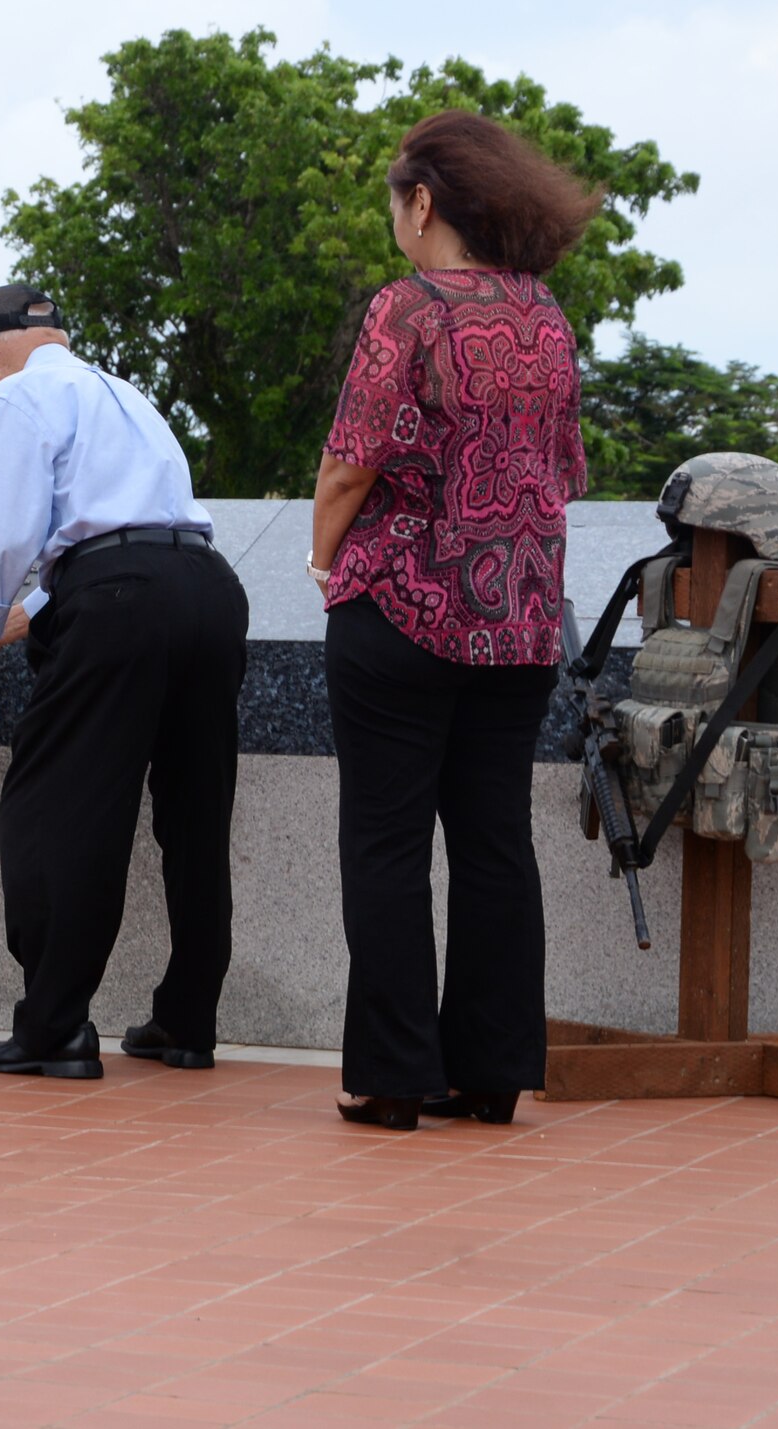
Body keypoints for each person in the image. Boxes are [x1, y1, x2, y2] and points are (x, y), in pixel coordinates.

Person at [311, 111, 599, 1130]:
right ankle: (488, 1070)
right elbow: (561, 470)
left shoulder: (410, 308)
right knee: (491, 844)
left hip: (402, 609)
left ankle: (388, 1074)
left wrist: (318, 558)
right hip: (519, 621)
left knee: (385, 843)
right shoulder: (545, 316)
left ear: (420, 202)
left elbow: (352, 457)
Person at [0, 284, 249, 1079]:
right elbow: (117, 538)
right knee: (195, 812)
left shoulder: (18, 395)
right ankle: (188, 1023)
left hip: (120, 601)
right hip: (208, 590)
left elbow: (0, 532)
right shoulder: (125, 395)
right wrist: (29, 616)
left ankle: (55, 1026)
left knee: (55, 807)